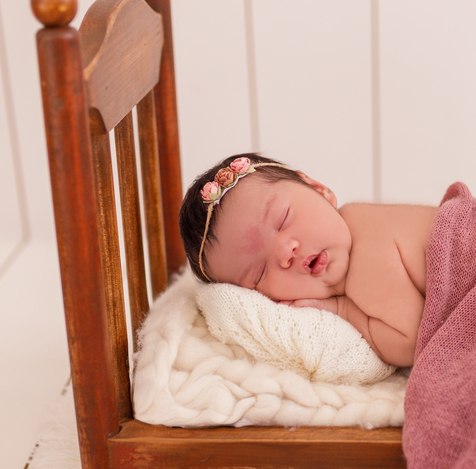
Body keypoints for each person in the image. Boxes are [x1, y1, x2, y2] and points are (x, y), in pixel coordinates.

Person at [179, 153, 436, 367]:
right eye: (260, 272)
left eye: (283, 219)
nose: (286, 251)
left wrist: (342, 310)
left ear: (318, 189)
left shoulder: (366, 252)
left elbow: (410, 341)